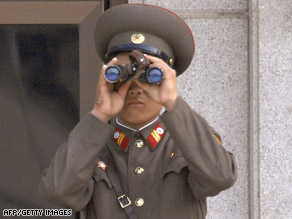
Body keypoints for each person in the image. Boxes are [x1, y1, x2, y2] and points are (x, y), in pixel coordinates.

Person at [39, 3, 237, 219]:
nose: (136, 88)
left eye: (149, 76)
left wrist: (172, 101)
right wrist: (99, 114)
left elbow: (221, 177)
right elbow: (57, 193)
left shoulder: (185, 141)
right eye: (123, 76)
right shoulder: (90, 144)